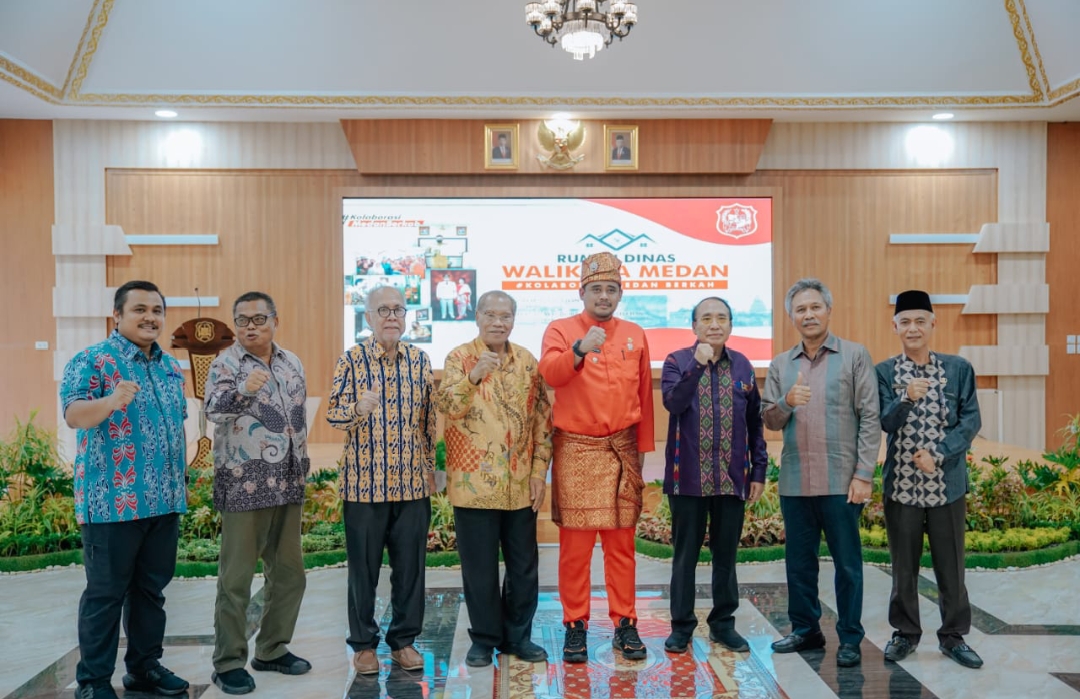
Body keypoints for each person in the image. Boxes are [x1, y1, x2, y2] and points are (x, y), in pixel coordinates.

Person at [59, 280, 190, 699]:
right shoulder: (92, 360)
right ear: (117, 315)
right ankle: (94, 682)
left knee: (150, 593)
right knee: (105, 595)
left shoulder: (170, 368)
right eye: (139, 309)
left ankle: (144, 668)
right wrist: (111, 401)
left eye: (157, 310)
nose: (150, 317)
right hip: (112, 503)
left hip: (163, 501)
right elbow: (75, 415)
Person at [538, 251, 654, 663]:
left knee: (622, 545)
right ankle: (575, 625)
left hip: (621, 449)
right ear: (581, 292)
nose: (604, 296)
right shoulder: (561, 329)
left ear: (620, 293)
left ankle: (625, 622)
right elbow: (550, 373)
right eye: (596, 289)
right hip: (577, 450)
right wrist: (579, 350)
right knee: (576, 549)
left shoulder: (635, 334)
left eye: (611, 289)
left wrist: (641, 452)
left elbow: (644, 396)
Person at [762, 278, 879, 668]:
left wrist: (864, 474)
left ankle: (850, 637)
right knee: (799, 564)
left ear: (828, 310)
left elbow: (870, 416)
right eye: (800, 309)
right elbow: (770, 419)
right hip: (796, 481)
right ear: (791, 317)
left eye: (815, 307)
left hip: (842, 481)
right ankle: (805, 630)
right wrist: (786, 401)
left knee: (847, 565)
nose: (808, 315)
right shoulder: (781, 364)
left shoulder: (854, 356)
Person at [435, 290, 553, 668]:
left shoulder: (528, 362)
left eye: (506, 316)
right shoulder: (459, 358)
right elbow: (447, 406)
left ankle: (518, 637)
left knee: (523, 567)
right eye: (491, 315)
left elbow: (542, 422)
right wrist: (473, 377)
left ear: (514, 321)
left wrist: (539, 472)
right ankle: (484, 639)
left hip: (520, 485)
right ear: (477, 317)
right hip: (474, 486)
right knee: (480, 569)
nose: (498, 322)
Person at [204, 291, 312, 694]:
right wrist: (245, 390)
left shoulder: (291, 362)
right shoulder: (225, 363)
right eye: (243, 320)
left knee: (290, 576)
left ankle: (271, 649)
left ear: (274, 321)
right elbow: (213, 410)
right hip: (244, 484)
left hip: (288, 482)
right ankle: (228, 662)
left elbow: (296, 420)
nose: (251, 326)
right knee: (236, 580)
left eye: (259, 318)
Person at [327, 285, 437, 676]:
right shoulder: (351, 360)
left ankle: (404, 641)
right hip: (364, 486)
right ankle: (363, 645)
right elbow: (333, 414)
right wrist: (357, 408)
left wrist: (429, 469)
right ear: (368, 317)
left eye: (398, 310)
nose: (392, 316)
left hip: (411, 485)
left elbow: (427, 422)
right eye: (383, 310)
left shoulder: (419, 360)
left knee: (411, 571)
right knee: (363, 572)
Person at [876, 290, 984, 669]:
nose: (913, 328)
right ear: (895, 327)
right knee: (903, 567)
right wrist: (905, 397)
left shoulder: (958, 369)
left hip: (946, 485)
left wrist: (938, 454)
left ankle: (953, 636)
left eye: (920, 321)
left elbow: (971, 420)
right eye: (905, 321)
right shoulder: (884, 373)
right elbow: (885, 422)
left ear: (933, 324)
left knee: (951, 566)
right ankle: (905, 633)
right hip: (902, 486)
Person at [661, 297, 768, 654]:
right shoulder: (677, 361)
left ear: (731, 325)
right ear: (694, 326)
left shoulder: (743, 366)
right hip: (687, 481)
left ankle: (723, 625)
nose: (714, 324)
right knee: (685, 558)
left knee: (726, 558)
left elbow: (755, 423)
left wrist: (758, 470)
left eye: (722, 317)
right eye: (706, 318)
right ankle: (681, 627)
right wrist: (697, 364)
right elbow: (674, 403)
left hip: (731, 479)